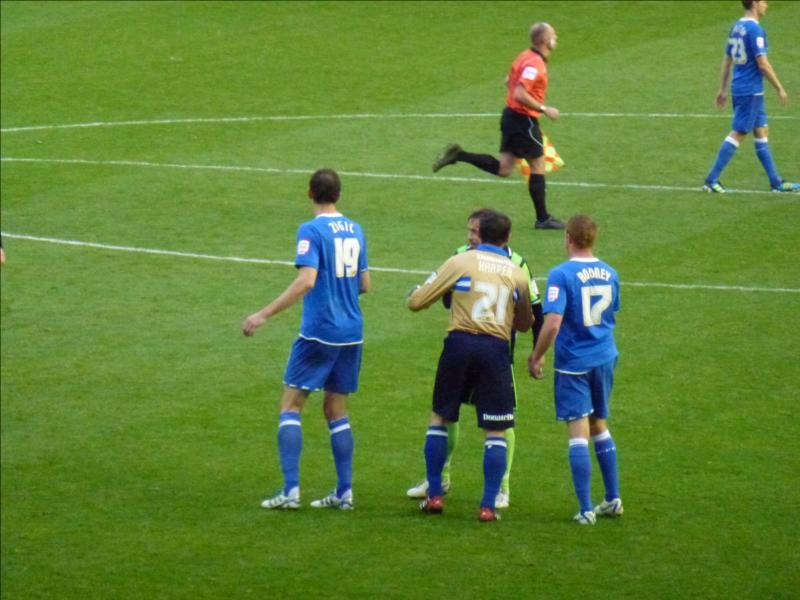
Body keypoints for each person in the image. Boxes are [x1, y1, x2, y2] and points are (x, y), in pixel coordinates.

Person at [243, 168, 370, 511]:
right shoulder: (356, 230)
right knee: (336, 409)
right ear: (339, 195)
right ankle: (344, 492)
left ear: (309, 192)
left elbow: (306, 281)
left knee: (291, 405)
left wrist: (263, 314)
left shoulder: (311, 230)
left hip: (320, 331)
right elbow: (365, 284)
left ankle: (290, 491)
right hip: (351, 332)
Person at [406, 208, 544, 509]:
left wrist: (414, 293)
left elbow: (417, 302)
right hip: (496, 350)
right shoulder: (517, 272)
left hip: (459, 344)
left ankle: (435, 495)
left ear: (479, 234)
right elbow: (525, 323)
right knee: (496, 427)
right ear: (506, 238)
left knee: (441, 415)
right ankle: (488, 505)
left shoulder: (460, 260)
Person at [528, 215, 622, 525]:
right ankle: (612, 498)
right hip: (605, 356)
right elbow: (611, 313)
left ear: (568, 237)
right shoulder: (610, 272)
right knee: (600, 425)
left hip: (574, 362)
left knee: (577, 432)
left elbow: (553, 321)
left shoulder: (561, 274)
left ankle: (585, 509)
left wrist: (537, 355)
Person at [432, 22, 565, 230]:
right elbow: (520, 92)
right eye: (553, 36)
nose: (556, 39)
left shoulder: (524, 56)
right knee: (538, 165)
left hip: (510, 117)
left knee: (504, 169)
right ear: (545, 41)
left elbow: (508, 81)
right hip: (524, 121)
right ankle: (543, 218)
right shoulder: (534, 64)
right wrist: (544, 108)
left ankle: (459, 155)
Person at [703, 0, 798, 193]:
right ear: (754, 3)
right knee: (739, 132)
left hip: (743, 89)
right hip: (750, 91)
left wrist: (722, 89)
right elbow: (762, 64)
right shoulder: (755, 31)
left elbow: (727, 60)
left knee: (761, 131)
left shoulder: (736, 27)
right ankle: (711, 180)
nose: (767, 5)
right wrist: (779, 87)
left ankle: (776, 182)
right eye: (763, 1)